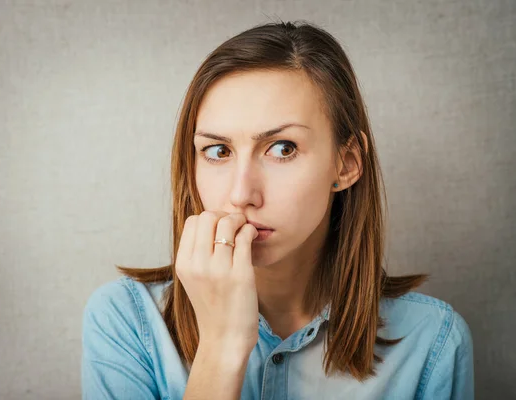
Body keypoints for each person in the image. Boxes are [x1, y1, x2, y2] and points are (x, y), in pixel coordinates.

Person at [81, 20, 474, 400]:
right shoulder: (126, 321)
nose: (241, 194)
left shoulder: (434, 341)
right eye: (218, 151)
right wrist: (221, 348)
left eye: (282, 149)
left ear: (347, 163)